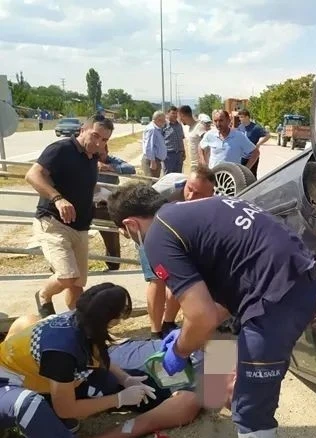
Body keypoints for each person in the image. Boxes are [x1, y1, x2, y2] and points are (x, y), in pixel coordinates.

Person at [107, 182, 316, 438]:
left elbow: (204, 316)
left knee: (250, 406)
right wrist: (186, 331)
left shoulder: (158, 235)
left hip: (274, 299)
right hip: (293, 284)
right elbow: (217, 305)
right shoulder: (193, 210)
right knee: (240, 387)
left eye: (127, 234)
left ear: (130, 224)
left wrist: (179, 351)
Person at [0, 283, 156, 438]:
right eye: (121, 315)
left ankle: (53, 419)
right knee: (30, 404)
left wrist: (125, 379)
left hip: (34, 376)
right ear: (110, 320)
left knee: (104, 382)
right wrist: (119, 399)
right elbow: (65, 408)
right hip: (6, 382)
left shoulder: (81, 320)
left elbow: (98, 355)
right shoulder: (60, 349)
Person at [4, 314, 204, 438]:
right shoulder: (214, 345)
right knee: (27, 321)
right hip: (97, 356)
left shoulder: (189, 400)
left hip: (83, 385)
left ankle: (30, 400)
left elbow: (139, 425)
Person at [26, 114, 115, 318]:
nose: (99, 143)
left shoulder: (92, 159)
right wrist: (57, 197)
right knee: (67, 276)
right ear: (83, 129)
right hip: (53, 222)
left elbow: (87, 187)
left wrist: (112, 201)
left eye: (104, 140)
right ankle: (43, 296)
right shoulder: (61, 149)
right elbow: (32, 175)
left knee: (77, 285)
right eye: (95, 136)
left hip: (81, 227)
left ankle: (80, 325)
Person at [135, 166, 217, 339]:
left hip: (178, 236)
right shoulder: (165, 192)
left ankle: (169, 323)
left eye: (199, 194)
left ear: (211, 194)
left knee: (178, 276)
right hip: (148, 232)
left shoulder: (212, 204)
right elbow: (136, 212)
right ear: (186, 183)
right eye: (190, 189)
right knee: (157, 280)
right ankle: (155, 331)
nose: (191, 196)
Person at [94, 144, 137, 271]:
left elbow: (130, 168)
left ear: (107, 151)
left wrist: (109, 167)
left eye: (101, 155)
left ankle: (113, 267)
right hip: (89, 204)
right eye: (96, 156)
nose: (99, 159)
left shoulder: (112, 161)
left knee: (111, 237)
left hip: (106, 205)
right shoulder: (88, 160)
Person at [237, 109, 270, 177]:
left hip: (252, 156)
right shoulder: (240, 127)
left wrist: (258, 144)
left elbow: (268, 135)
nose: (240, 119)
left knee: (251, 175)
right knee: (241, 176)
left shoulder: (256, 128)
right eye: (239, 117)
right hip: (241, 157)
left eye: (242, 117)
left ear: (247, 117)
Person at [178, 105, 209, 169]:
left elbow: (207, 144)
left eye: (180, 117)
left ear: (183, 115)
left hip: (200, 165)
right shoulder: (190, 128)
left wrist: (203, 160)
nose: (180, 120)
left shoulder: (199, 127)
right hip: (194, 164)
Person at [142, 110, 167, 178]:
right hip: (151, 160)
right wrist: (152, 161)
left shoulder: (157, 129)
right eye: (163, 120)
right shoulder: (152, 129)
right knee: (151, 183)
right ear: (158, 120)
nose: (164, 122)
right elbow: (149, 147)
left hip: (155, 160)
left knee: (154, 183)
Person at [163, 106, 186, 174]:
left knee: (178, 176)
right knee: (168, 175)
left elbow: (181, 139)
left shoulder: (179, 125)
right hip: (168, 155)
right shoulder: (164, 125)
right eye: (173, 113)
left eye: (176, 113)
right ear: (168, 114)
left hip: (179, 154)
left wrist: (183, 151)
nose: (175, 115)